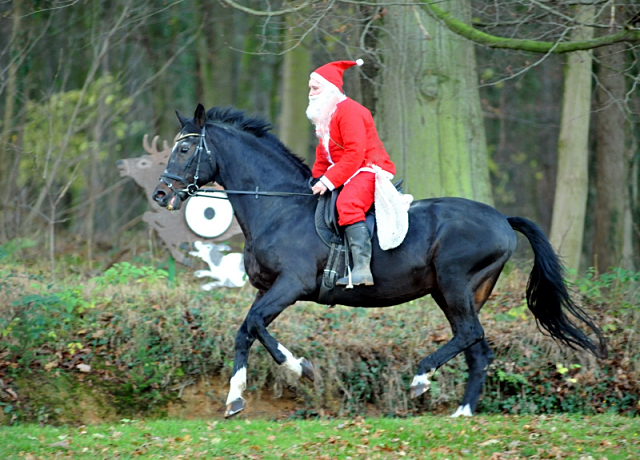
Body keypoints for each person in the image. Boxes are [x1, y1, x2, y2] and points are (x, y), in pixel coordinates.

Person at [307, 59, 396, 287]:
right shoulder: (325, 116)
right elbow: (323, 155)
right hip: (348, 171)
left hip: (369, 167)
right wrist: (315, 180)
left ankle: (362, 269)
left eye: (315, 88)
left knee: (348, 203)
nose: (310, 93)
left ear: (329, 90)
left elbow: (355, 154)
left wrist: (327, 181)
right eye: (310, 88)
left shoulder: (350, 111)